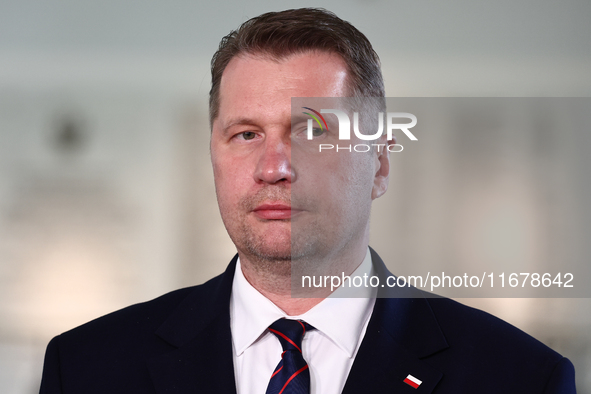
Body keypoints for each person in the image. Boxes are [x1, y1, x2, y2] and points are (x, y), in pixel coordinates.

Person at [39, 8, 576, 394]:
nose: (274, 168)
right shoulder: (87, 368)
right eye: (246, 134)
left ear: (380, 163)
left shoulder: (519, 377)